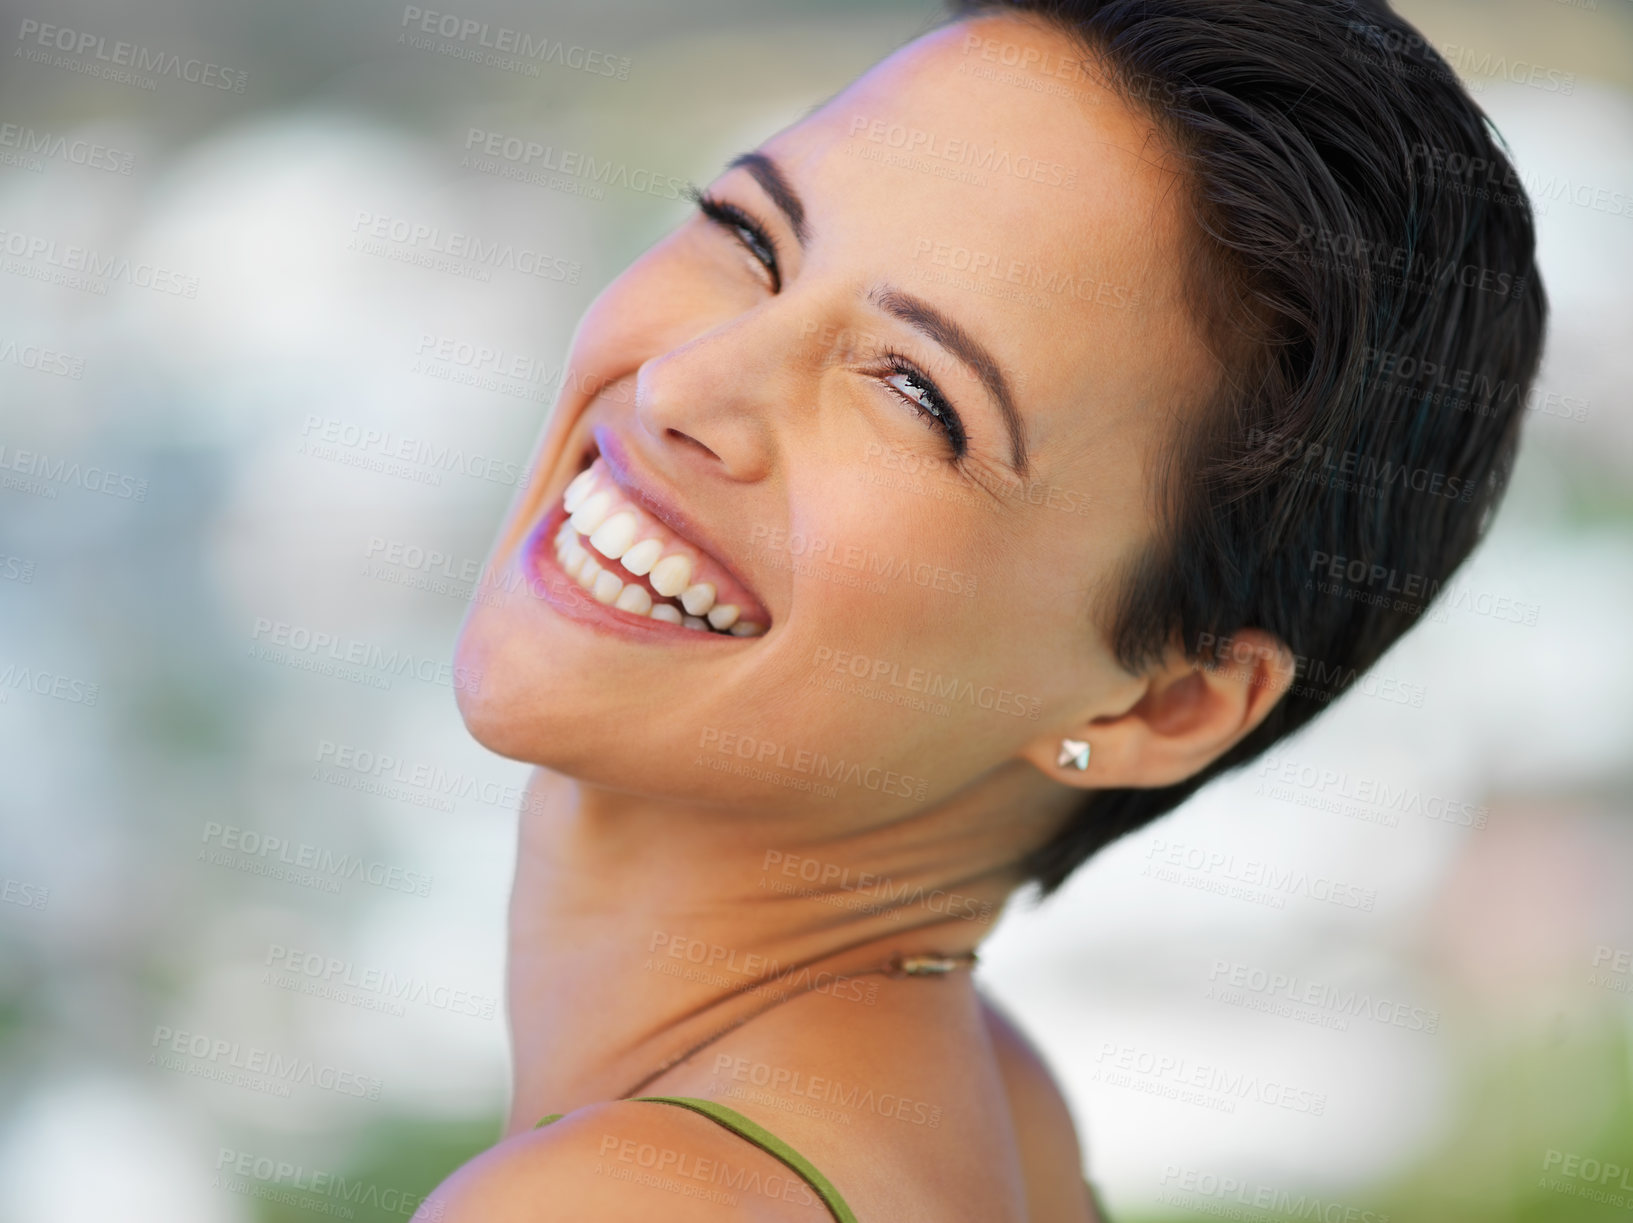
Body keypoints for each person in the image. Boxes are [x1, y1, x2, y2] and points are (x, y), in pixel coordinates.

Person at [426, 0, 1546, 1217]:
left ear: (1164, 701)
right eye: (750, 236)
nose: (678, 385)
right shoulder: (999, 1109)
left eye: (914, 389)